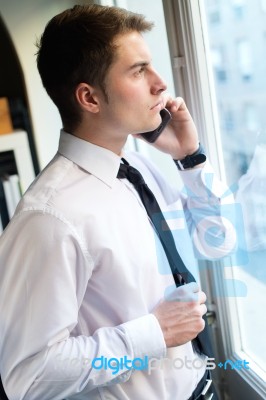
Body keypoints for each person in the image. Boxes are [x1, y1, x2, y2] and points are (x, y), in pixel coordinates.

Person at [0, 4, 234, 400]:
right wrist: (153, 333)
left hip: (204, 386)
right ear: (89, 98)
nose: (161, 84)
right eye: (139, 71)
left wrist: (190, 159)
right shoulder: (49, 218)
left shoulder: (139, 167)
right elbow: (26, 376)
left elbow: (219, 242)